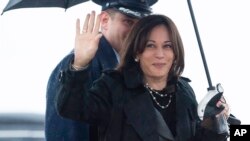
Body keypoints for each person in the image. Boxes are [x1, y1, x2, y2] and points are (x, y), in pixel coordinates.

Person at [55, 14, 231, 141]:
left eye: (167, 46)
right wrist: (80, 63)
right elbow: (71, 107)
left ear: (176, 52)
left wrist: (213, 122)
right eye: (150, 46)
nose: (160, 54)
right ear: (137, 51)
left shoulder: (184, 91)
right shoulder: (113, 86)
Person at [45, 0, 158, 140]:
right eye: (128, 22)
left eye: (141, 24)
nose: (136, 32)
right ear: (104, 20)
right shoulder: (78, 69)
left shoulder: (136, 70)